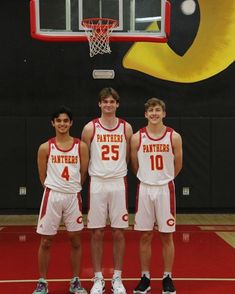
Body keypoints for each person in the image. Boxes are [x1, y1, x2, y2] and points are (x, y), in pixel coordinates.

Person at [81, 87, 133, 294]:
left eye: (112, 102)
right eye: (105, 101)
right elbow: (84, 159)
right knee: (97, 232)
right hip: (97, 183)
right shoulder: (89, 128)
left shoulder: (126, 128)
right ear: (99, 104)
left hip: (118, 182)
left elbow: (128, 156)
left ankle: (117, 278)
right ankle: (98, 278)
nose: (109, 105)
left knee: (119, 231)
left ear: (117, 104)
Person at [33, 106, 89, 294]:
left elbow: (83, 173)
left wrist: (72, 187)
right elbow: (42, 176)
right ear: (53, 123)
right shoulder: (45, 147)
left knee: (75, 240)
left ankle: (75, 281)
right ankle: (42, 281)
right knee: (46, 241)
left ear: (71, 123)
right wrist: (55, 188)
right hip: (52, 195)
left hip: (73, 195)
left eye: (66, 120)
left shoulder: (80, 146)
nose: (62, 124)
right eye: (59, 121)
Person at [130, 98, 183, 294]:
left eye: (157, 110)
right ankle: (145, 277)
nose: (154, 113)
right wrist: (148, 178)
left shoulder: (174, 136)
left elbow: (178, 164)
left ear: (164, 113)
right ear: (145, 114)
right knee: (145, 235)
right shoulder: (137, 137)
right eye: (151, 110)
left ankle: (167, 277)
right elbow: (134, 165)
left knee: (166, 235)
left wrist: (164, 178)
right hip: (145, 188)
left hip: (164, 189)